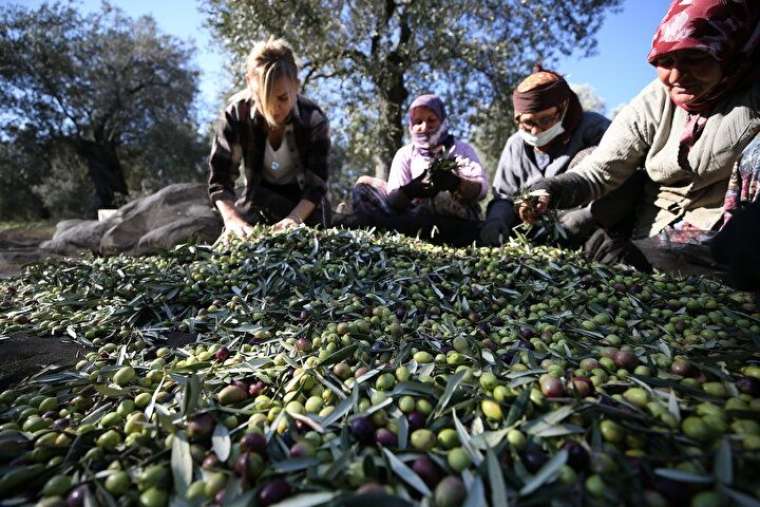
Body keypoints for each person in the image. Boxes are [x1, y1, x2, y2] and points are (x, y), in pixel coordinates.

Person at [518, 0, 760, 273]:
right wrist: (550, 189)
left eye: (696, 59)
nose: (677, 76)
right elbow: (600, 169)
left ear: (730, 52)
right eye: (665, 62)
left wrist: (658, 254)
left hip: (722, 239)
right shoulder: (656, 99)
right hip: (649, 227)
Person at [208, 38, 331, 241]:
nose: (273, 108)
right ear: (249, 82)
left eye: (283, 98)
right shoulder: (236, 115)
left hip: (305, 206)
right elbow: (220, 181)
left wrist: (293, 220)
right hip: (257, 199)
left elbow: (316, 186)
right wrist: (232, 220)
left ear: (297, 85)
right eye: (262, 98)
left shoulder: (314, 120)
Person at [480, 68, 610, 246]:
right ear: (517, 119)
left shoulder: (593, 128)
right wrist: (496, 221)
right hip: (532, 238)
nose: (536, 131)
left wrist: (583, 217)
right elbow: (505, 197)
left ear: (563, 108)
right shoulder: (515, 145)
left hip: (589, 231)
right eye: (528, 122)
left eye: (546, 120)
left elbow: (616, 175)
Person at [343, 94, 489, 247]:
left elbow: (481, 190)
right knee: (363, 186)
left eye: (431, 120)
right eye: (418, 122)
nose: (424, 127)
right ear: (410, 126)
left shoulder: (459, 149)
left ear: (443, 122)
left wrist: (454, 183)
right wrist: (411, 190)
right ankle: (392, 228)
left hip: (457, 222)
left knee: (441, 201)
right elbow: (393, 201)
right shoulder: (405, 154)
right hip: (414, 220)